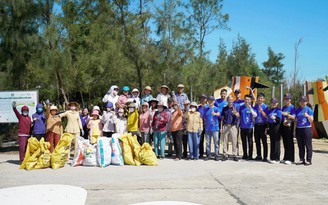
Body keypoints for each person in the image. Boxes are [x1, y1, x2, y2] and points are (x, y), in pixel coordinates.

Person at [295, 96, 314, 166]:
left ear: (306, 102)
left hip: (307, 128)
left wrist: (307, 116)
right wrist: (294, 130)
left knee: (308, 145)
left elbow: (311, 120)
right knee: (300, 145)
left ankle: (308, 160)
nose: (302, 102)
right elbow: (296, 120)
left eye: (303, 101)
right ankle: (301, 159)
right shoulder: (298, 110)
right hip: (299, 128)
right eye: (300, 101)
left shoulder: (309, 110)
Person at [238, 94, 257, 160]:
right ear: (244, 100)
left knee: (250, 141)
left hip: (250, 127)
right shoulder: (241, 107)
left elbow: (255, 115)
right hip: (242, 127)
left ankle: (250, 155)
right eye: (246, 99)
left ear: (250, 100)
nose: (247, 101)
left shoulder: (253, 107)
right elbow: (239, 116)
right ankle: (245, 154)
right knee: (243, 141)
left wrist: (250, 108)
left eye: (248, 99)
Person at [220, 95, 239, 161]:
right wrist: (221, 127)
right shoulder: (224, 108)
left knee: (234, 141)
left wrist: (235, 113)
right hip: (225, 126)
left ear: (233, 101)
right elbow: (222, 119)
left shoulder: (235, 108)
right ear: (227, 100)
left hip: (233, 126)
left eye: (231, 100)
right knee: (225, 141)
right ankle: (225, 154)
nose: (230, 101)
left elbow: (238, 116)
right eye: (229, 100)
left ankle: (235, 154)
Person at [281, 93, 296, 165]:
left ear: (290, 100)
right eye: (286, 99)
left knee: (290, 142)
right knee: (285, 142)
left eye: (288, 99)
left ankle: (291, 158)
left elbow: (294, 117)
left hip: (289, 126)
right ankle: (285, 157)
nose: (287, 100)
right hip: (284, 125)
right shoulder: (283, 107)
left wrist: (287, 114)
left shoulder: (292, 107)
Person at [203, 96, 220, 161]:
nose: (211, 102)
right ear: (208, 101)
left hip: (215, 128)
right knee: (208, 143)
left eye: (212, 100)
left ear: (214, 101)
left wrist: (215, 114)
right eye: (209, 100)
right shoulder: (206, 109)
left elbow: (219, 114)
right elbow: (204, 118)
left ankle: (216, 155)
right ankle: (208, 155)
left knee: (216, 142)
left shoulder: (216, 108)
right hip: (208, 129)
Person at [253, 93, 269, 162]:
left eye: (261, 98)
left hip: (263, 125)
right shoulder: (255, 106)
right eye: (259, 98)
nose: (260, 99)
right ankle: (259, 155)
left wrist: (262, 111)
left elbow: (266, 116)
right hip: (256, 125)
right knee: (257, 141)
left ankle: (265, 156)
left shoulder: (265, 107)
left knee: (264, 141)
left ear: (264, 99)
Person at [267, 98, 283, 164]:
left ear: (277, 103)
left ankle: (277, 158)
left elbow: (279, 120)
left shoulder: (278, 110)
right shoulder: (270, 110)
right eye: (272, 103)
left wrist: (275, 118)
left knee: (276, 142)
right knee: (272, 141)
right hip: (271, 126)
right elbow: (267, 119)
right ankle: (272, 157)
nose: (273, 104)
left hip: (277, 126)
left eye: (275, 103)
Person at [198, 94, 208, 159]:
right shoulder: (198, 107)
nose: (203, 100)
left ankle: (207, 153)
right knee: (201, 140)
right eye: (202, 98)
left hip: (207, 125)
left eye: (204, 98)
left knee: (208, 140)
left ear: (206, 99)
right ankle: (201, 153)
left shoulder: (208, 107)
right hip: (200, 125)